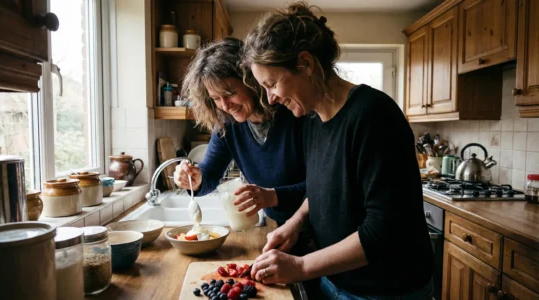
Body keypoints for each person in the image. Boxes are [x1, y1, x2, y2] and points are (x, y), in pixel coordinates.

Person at [242, 2, 434, 299]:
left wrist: (301, 265)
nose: (270, 99)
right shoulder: (312, 120)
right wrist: (294, 224)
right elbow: (321, 190)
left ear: (305, 64)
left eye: (272, 84)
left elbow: (382, 233)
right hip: (335, 282)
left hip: (386, 291)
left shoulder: (374, 115)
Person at [174, 37, 307, 230]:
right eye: (216, 98)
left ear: (251, 81)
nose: (225, 106)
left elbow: (321, 184)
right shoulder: (228, 127)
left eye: (229, 93)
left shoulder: (294, 112)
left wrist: (272, 196)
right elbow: (210, 174)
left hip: (316, 225)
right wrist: (194, 180)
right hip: (278, 225)